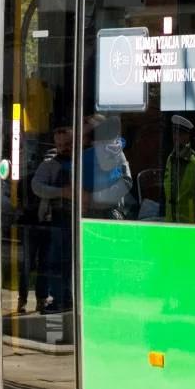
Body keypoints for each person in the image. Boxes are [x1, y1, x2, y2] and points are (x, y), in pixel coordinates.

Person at [31, 126, 73, 314]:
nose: (63, 148)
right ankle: (58, 298)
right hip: (56, 219)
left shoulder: (83, 162)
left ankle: (66, 297)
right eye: (59, 145)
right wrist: (61, 192)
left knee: (69, 261)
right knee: (55, 262)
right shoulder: (49, 164)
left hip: (77, 218)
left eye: (67, 144)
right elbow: (37, 186)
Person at [82, 114, 133, 220]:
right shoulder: (78, 154)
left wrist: (92, 199)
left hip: (109, 212)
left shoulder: (116, 153)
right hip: (82, 213)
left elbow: (126, 182)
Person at [164, 114, 195, 222]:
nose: (175, 137)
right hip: (169, 224)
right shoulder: (170, 158)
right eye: (174, 133)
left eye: (180, 134)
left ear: (187, 136)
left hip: (188, 225)